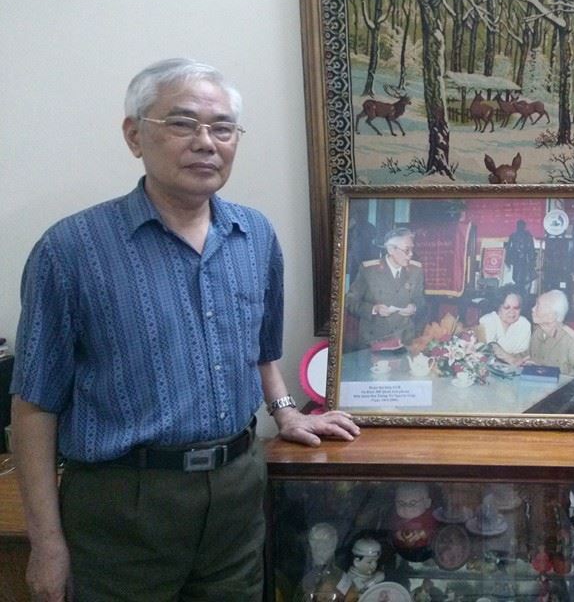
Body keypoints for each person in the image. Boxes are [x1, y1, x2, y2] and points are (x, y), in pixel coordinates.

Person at [10, 58, 360, 602]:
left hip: (237, 493)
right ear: (134, 135)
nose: (205, 142)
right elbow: (34, 405)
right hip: (123, 503)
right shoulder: (71, 250)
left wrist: (286, 411)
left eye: (222, 128)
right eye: (182, 123)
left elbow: (261, 351)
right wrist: (47, 544)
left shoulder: (255, 235)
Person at [345, 227, 425, 348]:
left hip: (404, 340)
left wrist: (414, 307)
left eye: (412, 249)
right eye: (406, 250)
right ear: (391, 249)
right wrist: (374, 309)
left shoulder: (416, 270)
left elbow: (420, 300)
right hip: (374, 341)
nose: (411, 254)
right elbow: (350, 301)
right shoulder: (369, 270)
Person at [525, 290, 574, 389]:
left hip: (560, 392)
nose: (533, 309)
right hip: (536, 388)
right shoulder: (537, 333)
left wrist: (559, 373)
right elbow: (530, 358)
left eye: (538, 306)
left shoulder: (571, 340)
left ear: (552, 316)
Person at [478, 284, 531, 364]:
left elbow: (524, 354)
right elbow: (489, 348)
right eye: (507, 307)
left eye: (516, 308)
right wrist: (511, 359)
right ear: (498, 307)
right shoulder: (487, 320)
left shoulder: (524, 324)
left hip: (516, 366)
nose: (512, 312)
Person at [504, 219, 536, 295]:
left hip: (525, 259)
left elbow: (531, 248)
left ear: (524, 226)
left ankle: (523, 293)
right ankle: (518, 291)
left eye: (522, 226)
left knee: (525, 277)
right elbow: (509, 248)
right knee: (516, 276)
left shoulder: (528, 236)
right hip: (516, 259)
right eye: (519, 226)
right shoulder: (513, 235)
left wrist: (531, 260)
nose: (520, 227)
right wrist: (508, 259)